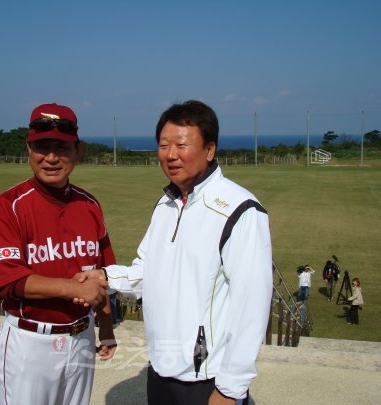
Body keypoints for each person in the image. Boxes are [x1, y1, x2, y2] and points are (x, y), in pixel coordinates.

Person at [79, 100, 272, 404]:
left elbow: (253, 306)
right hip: (161, 370)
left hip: (206, 378)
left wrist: (230, 390)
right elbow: (147, 271)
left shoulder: (240, 210)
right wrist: (105, 276)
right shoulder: (166, 204)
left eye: (181, 145)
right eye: (163, 145)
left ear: (209, 150)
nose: (170, 155)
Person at [0, 103, 117, 405]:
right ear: (29, 149)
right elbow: (7, 280)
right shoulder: (8, 206)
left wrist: (106, 326)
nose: (52, 157)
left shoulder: (89, 205)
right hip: (31, 343)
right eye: (43, 147)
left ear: (78, 150)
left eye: (62, 147)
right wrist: (73, 287)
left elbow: (102, 273)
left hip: (82, 337)